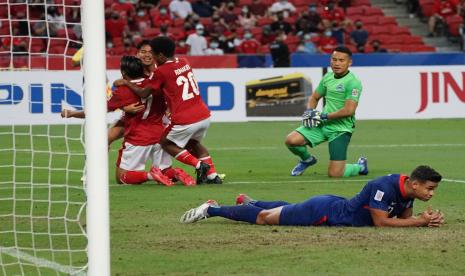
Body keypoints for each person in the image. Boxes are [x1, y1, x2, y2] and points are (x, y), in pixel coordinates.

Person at [181, 165, 445, 228]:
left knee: (288, 208)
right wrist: (420, 222)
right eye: (429, 189)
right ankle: (212, 209)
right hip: (325, 213)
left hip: (331, 204)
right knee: (264, 219)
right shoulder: (383, 186)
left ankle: (250, 202)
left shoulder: (407, 190)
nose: (431, 194)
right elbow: (382, 223)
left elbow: (404, 218)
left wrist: (426, 218)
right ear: (413, 183)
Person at [115, 36, 223, 184]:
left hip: (185, 118)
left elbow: (144, 93)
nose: (150, 57)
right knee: (193, 144)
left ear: (160, 56)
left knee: (165, 143)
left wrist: (126, 82)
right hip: (204, 115)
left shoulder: (161, 72)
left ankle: (199, 165)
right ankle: (213, 176)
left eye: (153, 54)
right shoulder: (184, 61)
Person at [284, 46, 366, 178]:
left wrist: (323, 115)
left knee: (335, 174)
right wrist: (310, 111)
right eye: (334, 59)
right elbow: (315, 97)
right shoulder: (328, 77)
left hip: (340, 128)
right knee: (291, 140)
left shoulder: (353, 83)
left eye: (341, 60)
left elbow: (349, 110)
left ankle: (360, 166)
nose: (337, 63)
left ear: (349, 62)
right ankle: (307, 160)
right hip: (322, 123)